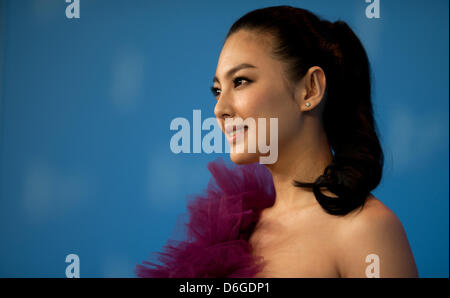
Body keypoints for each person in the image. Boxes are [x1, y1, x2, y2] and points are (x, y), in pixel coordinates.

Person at [136, 5, 418, 278]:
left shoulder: (366, 230)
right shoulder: (235, 232)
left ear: (310, 89)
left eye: (241, 81)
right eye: (217, 90)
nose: (219, 109)